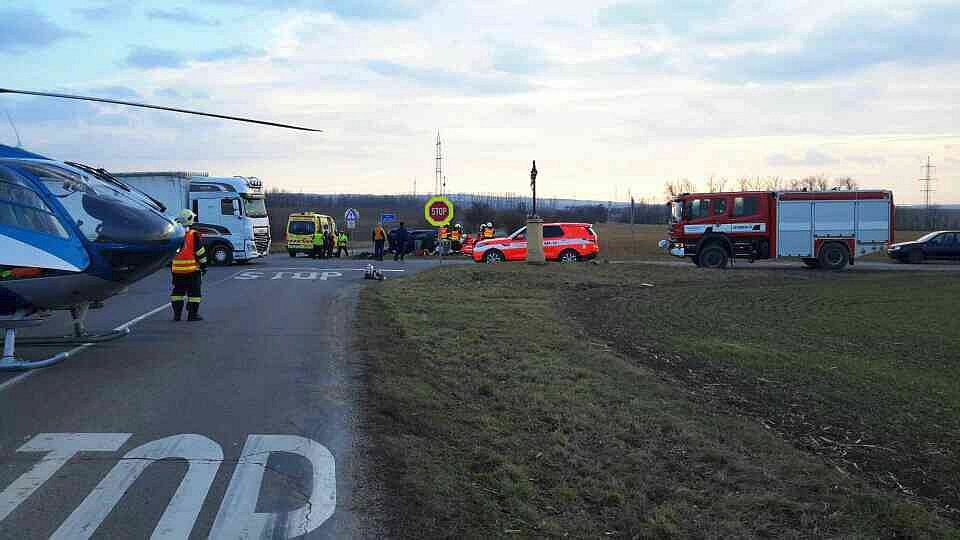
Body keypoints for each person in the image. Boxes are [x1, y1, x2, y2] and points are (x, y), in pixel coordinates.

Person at [170, 209, 207, 321]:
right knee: (194, 294)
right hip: (192, 271)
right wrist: (204, 266)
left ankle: (177, 315)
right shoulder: (193, 235)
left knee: (177, 292)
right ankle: (192, 315)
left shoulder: (174, 234)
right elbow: (200, 252)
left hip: (176, 271)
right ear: (190, 220)